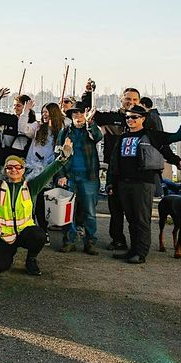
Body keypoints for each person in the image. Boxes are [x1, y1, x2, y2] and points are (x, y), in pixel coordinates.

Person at [0, 138, 72, 276]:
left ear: (23, 170)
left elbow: (49, 172)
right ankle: (8, 254)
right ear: (5, 171)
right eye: (9, 167)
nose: (14, 170)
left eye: (18, 167)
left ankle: (31, 259)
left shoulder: (32, 186)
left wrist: (63, 158)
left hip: (25, 233)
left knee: (39, 235)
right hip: (4, 236)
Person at [105, 104, 181, 264]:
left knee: (142, 219)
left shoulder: (151, 135)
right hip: (123, 183)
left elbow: (177, 136)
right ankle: (133, 250)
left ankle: (141, 253)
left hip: (143, 183)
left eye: (134, 117)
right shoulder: (122, 137)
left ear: (143, 119)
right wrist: (111, 184)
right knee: (131, 220)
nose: (130, 120)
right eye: (127, 117)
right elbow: (114, 163)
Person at [55, 106, 104, 254]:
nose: (78, 115)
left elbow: (98, 136)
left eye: (81, 112)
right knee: (68, 211)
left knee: (90, 211)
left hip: (89, 177)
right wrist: (60, 175)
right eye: (75, 113)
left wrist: (90, 122)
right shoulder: (64, 132)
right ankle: (69, 241)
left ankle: (90, 241)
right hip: (70, 177)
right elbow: (57, 154)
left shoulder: (90, 130)